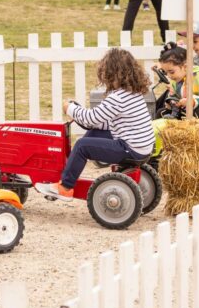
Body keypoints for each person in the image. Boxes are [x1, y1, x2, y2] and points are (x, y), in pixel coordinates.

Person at [35, 49, 155, 201]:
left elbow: (91, 119)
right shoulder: (133, 93)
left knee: (82, 145)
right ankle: (69, 174)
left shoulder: (117, 98)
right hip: (141, 147)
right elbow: (107, 122)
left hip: (131, 149)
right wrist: (86, 120)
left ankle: (65, 187)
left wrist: (70, 108)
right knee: (93, 134)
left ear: (113, 74)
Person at [158, 42, 199, 118]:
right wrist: (172, 102)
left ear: (185, 67)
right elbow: (173, 96)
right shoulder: (175, 81)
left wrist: (193, 101)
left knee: (198, 112)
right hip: (183, 110)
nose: (169, 76)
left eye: (171, 72)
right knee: (161, 112)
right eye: (165, 72)